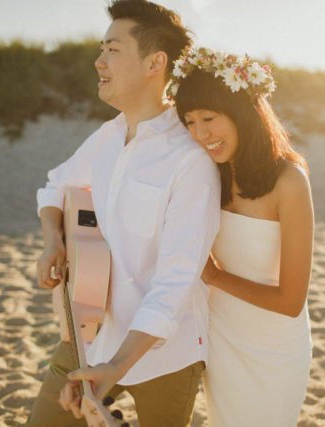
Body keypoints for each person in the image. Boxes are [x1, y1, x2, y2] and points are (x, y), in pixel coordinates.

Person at [27, 1, 221, 426]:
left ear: (155, 62)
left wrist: (118, 366)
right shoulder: (108, 135)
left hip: (165, 356)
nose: (99, 61)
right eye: (101, 49)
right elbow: (56, 184)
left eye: (112, 50)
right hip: (88, 336)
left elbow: (176, 282)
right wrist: (53, 242)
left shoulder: (190, 162)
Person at [172, 47, 314, 427]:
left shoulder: (289, 181)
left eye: (209, 118)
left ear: (241, 114)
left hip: (275, 346)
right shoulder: (207, 174)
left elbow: (291, 301)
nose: (200, 134)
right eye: (189, 121)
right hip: (219, 335)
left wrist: (215, 276)